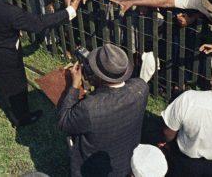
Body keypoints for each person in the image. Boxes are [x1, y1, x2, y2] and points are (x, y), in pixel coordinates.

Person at [59, 44, 150, 177]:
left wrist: (74, 86)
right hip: (125, 161)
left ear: (99, 77)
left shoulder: (89, 108)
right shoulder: (141, 88)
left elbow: (64, 122)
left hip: (93, 170)